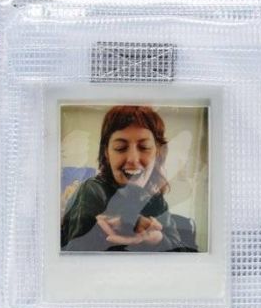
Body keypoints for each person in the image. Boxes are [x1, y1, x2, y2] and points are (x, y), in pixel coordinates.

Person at [61, 105, 187, 251]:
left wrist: (158, 239)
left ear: (157, 152)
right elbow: (74, 254)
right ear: (106, 153)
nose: (133, 159)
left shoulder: (157, 200)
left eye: (144, 147)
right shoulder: (92, 191)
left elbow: (178, 250)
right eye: (120, 148)